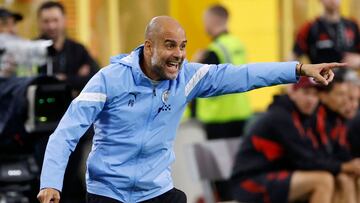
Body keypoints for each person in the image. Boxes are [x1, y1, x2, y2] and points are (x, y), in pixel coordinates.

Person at [37, 16, 342, 203]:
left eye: (183, 46)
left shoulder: (189, 77)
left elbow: (245, 75)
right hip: (108, 192)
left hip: (156, 191)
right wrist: (51, 182)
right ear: (149, 47)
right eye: (170, 45)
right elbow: (66, 133)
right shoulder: (109, 79)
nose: (179, 55)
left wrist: (300, 69)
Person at [231, 76, 360, 203]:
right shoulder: (281, 117)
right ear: (292, 92)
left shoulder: (303, 117)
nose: (311, 100)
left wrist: (346, 167)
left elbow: (318, 156)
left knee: (344, 178)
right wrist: (344, 166)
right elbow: (305, 160)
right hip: (250, 183)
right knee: (323, 180)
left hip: (277, 176)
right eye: (306, 93)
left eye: (315, 94)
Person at [192, 5, 252, 140]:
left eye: (205, 20)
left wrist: (195, 63)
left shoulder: (214, 50)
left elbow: (199, 82)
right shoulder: (238, 44)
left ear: (212, 20)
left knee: (219, 160)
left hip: (217, 116)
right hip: (240, 112)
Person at [37, 1, 99, 93]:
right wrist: (77, 78)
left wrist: (65, 79)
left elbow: (95, 78)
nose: (51, 26)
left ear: (64, 20)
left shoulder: (78, 49)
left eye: (55, 20)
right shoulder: (32, 49)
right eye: (46, 21)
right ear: (39, 23)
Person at [292, 0, 360, 68]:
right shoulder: (310, 27)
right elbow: (293, 57)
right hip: (320, 76)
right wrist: (302, 71)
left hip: (349, 76)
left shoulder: (353, 25)